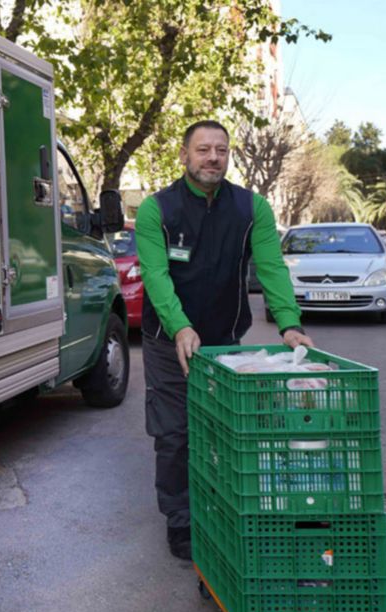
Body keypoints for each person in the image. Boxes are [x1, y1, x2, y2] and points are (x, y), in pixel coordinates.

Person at [135, 120, 314, 560]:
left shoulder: (251, 208)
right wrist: (180, 326)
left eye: (220, 149)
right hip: (167, 341)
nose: (212, 157)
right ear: (184, 156)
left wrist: (289, 323)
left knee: (223, 429)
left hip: (226, 342)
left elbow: (271, 268)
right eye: (202, 150)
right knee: (175, 433)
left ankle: (223, 505)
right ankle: (181, 520)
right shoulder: (157, 209)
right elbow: (156, 277)